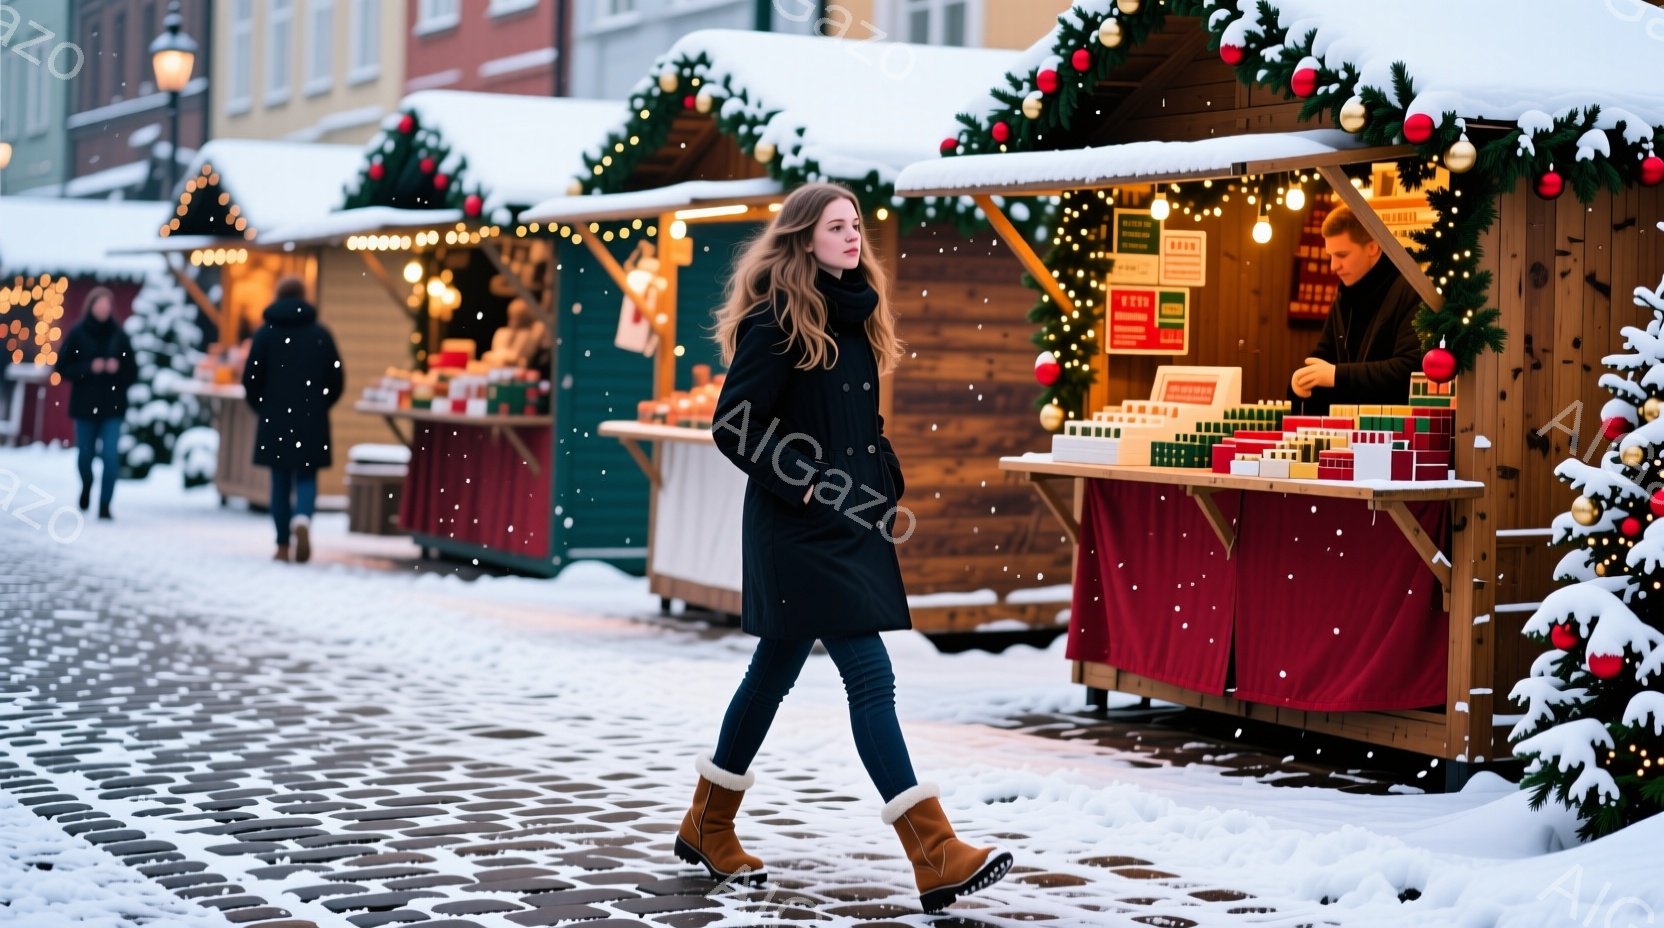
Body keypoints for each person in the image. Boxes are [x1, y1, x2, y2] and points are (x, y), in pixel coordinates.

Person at [680, 182, 1013, 914]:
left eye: (856, 223)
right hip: (799, 530)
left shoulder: (857, 316)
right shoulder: (777, 321)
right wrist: (806, 482)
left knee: (772, 674)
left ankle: (708, 824)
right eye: (836, 226)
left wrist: (882, 473)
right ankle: (934, 852)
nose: (852, 235)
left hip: (849, 522)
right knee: (871, 675)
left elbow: (861, 423)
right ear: (804, 238)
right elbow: (734, 424)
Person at [242, 277, 343, 563]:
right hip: (312, 419)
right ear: (304, 297)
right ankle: (303, 519)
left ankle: (282, 544)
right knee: (307, 476)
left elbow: (250, 380)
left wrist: (263, 408)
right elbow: (337, 379)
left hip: (275, 418)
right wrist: (322, 404)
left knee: (280, 481)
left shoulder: (264, 335)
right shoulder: (321, 335)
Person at [1289, 205, 1425, 414]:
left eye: (1342, 255)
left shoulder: (1411, 289)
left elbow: (1411, 369)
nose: (1333, 266)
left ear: (1373, 247)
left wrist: (1336, 375)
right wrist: (1300, 380)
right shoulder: (1344, 295)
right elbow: (1322, 357)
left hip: (1397, 431)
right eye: (1331, 256)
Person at [55, 288, 136, 520]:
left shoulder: (119, 336)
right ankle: (87, 484)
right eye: (99, 305)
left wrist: (117, 369)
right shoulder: (78, 333)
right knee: (85, 455)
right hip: (84, 405)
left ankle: (105, 504)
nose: (103, 309)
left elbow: (132, 372)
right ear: (90, 306)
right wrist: (88, 368)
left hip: (113, 406)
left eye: (106, 305)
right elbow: (62, 367)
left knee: (110, 457)